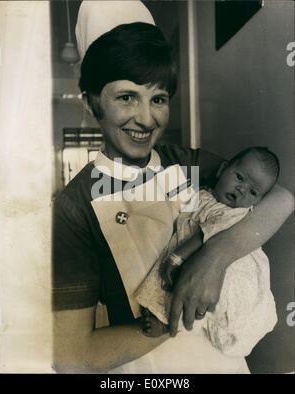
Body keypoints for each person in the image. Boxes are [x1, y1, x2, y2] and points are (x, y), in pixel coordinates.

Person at [53, 1, 294, 373]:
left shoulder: (183, 162)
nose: (146, 119)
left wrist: (213, 258)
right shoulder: (75, 206)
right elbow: (71, 356)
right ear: (91, 103)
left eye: (158, 98)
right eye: (126, 96)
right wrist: (169, 319)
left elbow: (280, 198)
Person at [136, 147, 279, 358]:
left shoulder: (237, 213)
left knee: (194, 283)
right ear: (222, 170)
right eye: (239, 177)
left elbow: (206, 233)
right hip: (196, 253)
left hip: (227, 263)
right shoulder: (203, 194)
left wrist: (177, 257)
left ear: (257, 202)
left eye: (253, 192)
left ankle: (169, 319)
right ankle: (165, 315)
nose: (241, 190)